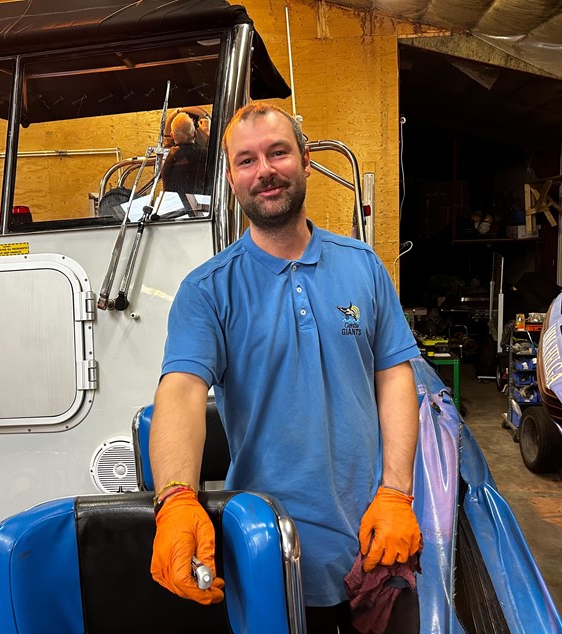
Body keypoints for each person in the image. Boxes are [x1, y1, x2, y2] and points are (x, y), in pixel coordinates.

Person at [149, 103, 423, 633]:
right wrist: (176, 497)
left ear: (304, 160)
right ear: (231, 178)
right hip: (270, 552)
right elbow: (181, 390)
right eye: (246, 160)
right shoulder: (208, 290)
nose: (265, 171)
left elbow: (394, 374)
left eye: (278, 152)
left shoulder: (362, 264)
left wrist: (396, 492)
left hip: (377, 540)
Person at [160, 111, 207, 196]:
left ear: (172, 135)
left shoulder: (166, 157)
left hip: (172, 206)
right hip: (198, 206)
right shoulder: (204, 155)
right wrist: (207, 133)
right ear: (195, 134)